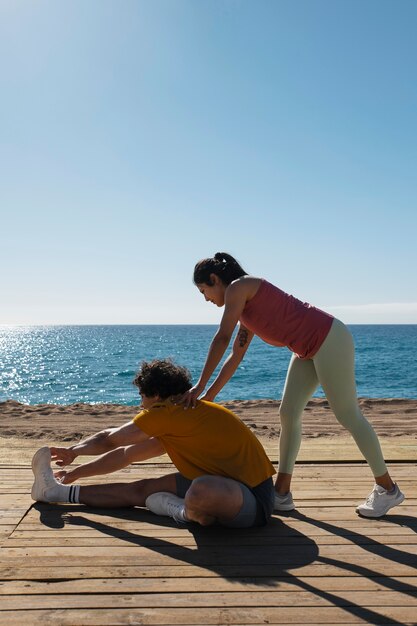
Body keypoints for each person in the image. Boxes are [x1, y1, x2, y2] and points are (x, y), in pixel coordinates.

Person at [181, 251, 404, 519]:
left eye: (204, 290)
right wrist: (209, 395)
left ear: (215, 279)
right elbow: (235, 355)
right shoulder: (244, 308)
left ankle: (387, 489)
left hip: (330, 338)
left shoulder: (240, 287)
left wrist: (198, 385)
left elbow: (222, 338)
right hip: (306, 350)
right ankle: (281, 493)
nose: (206, 298)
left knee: (348, 415)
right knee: (288, 412)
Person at [31, 358, 276, 528]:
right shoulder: (178, 419)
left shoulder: (167, 413)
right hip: (220, 482)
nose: (140, 404)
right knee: (142, 489)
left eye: (142, 396)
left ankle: (183, 513)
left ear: (157, 396)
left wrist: (73, 451)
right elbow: (126, 454)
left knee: (201, 490)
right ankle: (56, 492)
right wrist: (74, 474)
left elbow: (110, 439)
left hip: (253, 501)